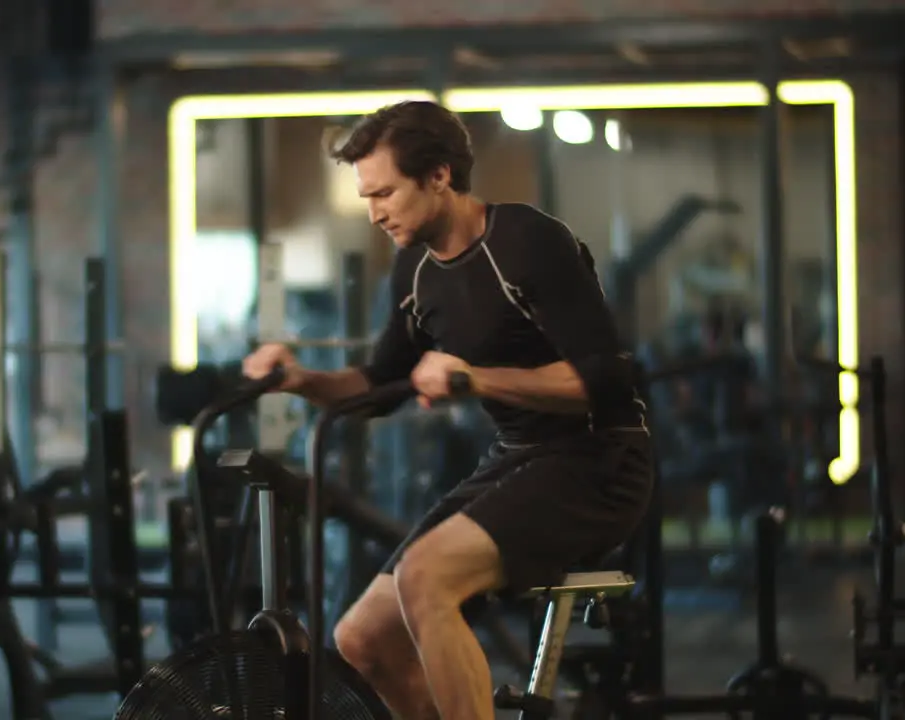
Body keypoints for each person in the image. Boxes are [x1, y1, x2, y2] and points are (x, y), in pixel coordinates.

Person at [241, 101, 653, 720]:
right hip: (515, 461)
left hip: (600, 460)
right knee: (362, 640)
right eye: (366, 196)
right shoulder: (413, 269)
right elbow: (377, 385)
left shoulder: (528, 241)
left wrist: (475, 377)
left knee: (425, 579)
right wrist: (298, 380)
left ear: (438, 175)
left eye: (385, 193)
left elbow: (605, 384)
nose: (374, 212)